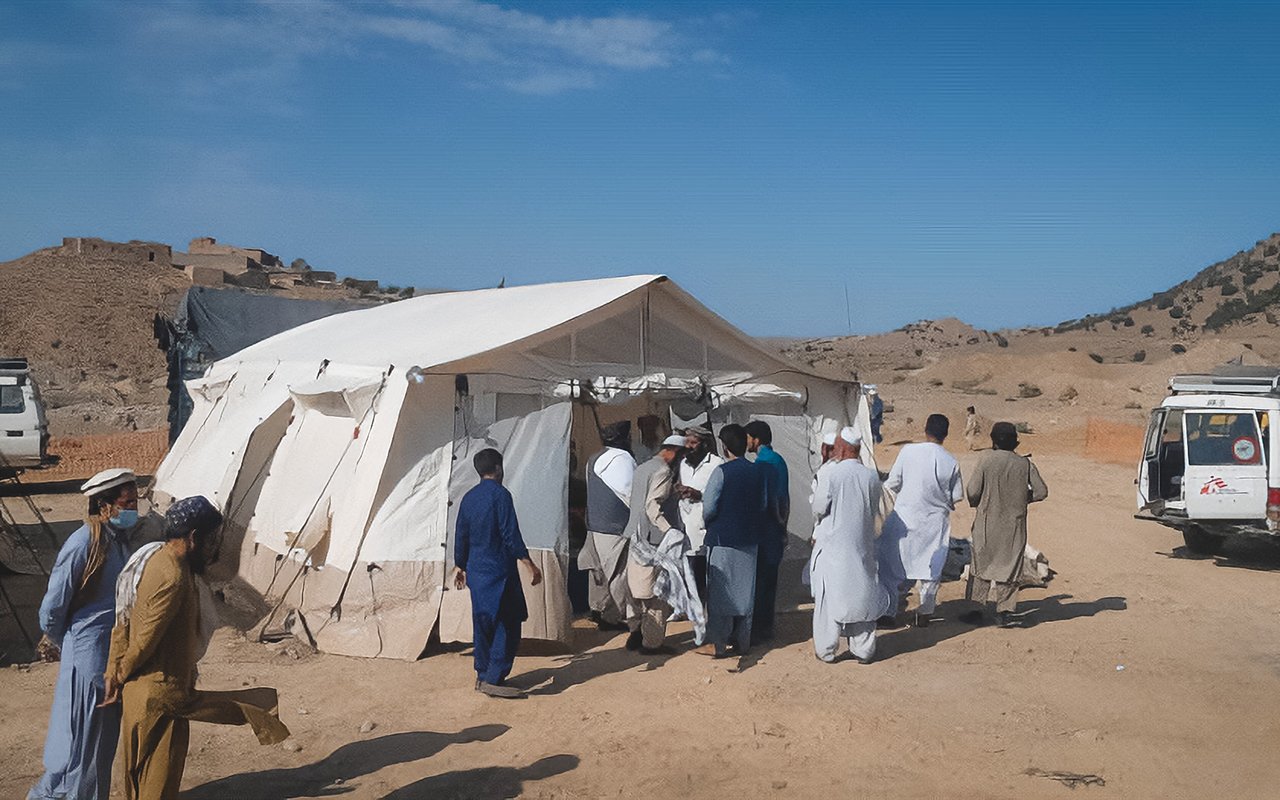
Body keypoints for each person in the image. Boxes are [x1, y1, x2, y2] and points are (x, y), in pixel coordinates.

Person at [105, 496, 289, 799]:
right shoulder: (174, 577)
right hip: (160, 698)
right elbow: (145, 640)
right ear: (193, 537)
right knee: (156, 787)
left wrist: (115, 670)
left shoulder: (155, 559)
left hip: (146, 695)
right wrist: (119, 673)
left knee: (138, 785)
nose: (212, 549)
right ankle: (262, 710)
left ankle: (261, 709)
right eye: (210, 541)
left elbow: (123, 617)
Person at [30, 468, 139, 800]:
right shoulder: (82, 544)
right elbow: (52, 609)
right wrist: (69, 642)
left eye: (136, 500)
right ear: (104, 504)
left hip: (110, 656)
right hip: (88, 658)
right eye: (127, 502)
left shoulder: (118, 542)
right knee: (79, 744)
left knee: (100, 748)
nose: (133, 508)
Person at [453, 449, 544, 697]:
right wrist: (529, 564)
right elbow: (509, 534)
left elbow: (461, 534)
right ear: (499, 467)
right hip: (500, 573)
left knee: (483, 624)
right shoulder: (501, 496)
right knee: (508, 623)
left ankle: (482, 674)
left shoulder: (469, 498)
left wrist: (460, 565)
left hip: (477, 572)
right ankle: (493, 678)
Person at [809, 428, 892, 664]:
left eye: (836, 446)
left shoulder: (832, 475)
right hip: (863, 547)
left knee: (828, 599)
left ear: (844, 448)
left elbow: (818, 507)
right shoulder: (871, 476)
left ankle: (826, 649)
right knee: (862, 596)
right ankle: (864, 649)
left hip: (834, 547)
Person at [877, 414, 964, 627]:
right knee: (930, 568)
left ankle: (888, 612)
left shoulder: (908, 451)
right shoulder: (951, 461)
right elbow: (956, 496)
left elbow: (893, 483)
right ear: (946, 435)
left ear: (925, 430)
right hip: (934, 524)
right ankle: (925, 613)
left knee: (892, 566)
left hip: (904, 520)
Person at [961, 422, 1049, 628]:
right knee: (1010, 569)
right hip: (1014, 527)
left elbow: (973, 491)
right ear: (1015, 442)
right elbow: (1041, 491)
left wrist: (979, 502)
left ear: (993, 440)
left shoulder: (986, 460)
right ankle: (1004, 612)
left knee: (979, 566)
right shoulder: (1025, 464)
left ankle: (975, 610)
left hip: (986, 524)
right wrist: (1023, 498)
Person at [695, 424, 768, 658]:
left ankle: (717, 643)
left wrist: (710, 522)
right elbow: (764, 503)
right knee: (745, 594)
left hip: (722, 539)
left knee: (719, 594)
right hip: (750, 540)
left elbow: (709, 507)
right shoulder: (758, 471)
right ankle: (743, 642)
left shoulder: (721, 472)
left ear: (725, 447)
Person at [624, 434, 696, 653]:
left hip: (635, 535)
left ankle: (636, 632)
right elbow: (652, 506)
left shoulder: (642, 468)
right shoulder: (663, 471)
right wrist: (670, 531)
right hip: (654, 540)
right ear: (674, 452)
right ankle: (652, 643)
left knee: (635, 590)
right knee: (657, 593)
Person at [577, 421, 636, 632]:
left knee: (598, 571)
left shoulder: (593, 458)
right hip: (615, 526)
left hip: (594, 524)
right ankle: (628, 616)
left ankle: (601, 611)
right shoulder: (623, 459)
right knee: (618, 573)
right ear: (624, 439)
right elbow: (630, 495)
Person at [745, 419, 789, 644]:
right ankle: (765, 626)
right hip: (773, 529)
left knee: (760, 580)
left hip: (765, 528)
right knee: (767, 580)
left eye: (748, 437)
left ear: (756, 439)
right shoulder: (778, 461)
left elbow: (777, 499)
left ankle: (759, 628)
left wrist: (779, 524)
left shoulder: (763, 464)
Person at [677, 426, 724, 601]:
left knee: (703, 571)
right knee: (687, 570)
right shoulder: (683, 464)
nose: (688, 446)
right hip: (685, 523)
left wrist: (700, 494)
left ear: (704, 445)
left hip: (704, 526)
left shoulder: (717, 464)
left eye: (693, 443)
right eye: (686, 442)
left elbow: (720, 494)